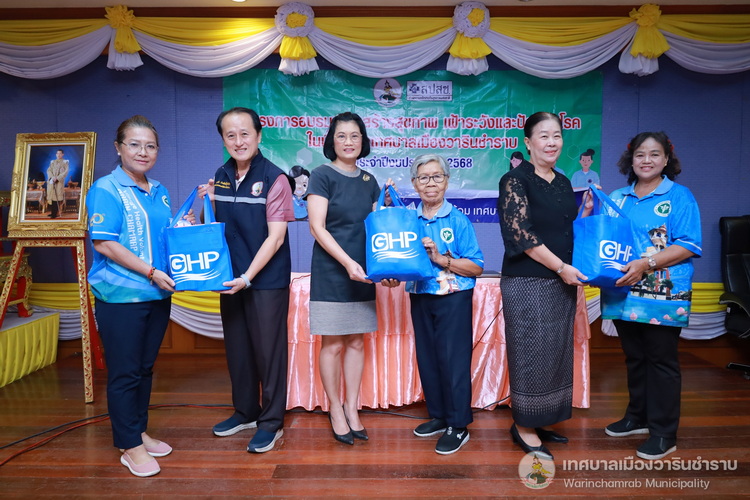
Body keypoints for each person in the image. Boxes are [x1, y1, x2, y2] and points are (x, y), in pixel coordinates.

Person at [87, 115, 182, 477]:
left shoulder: (159, 189)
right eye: (135, 144)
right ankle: (129, 445)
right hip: (121, 297)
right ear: (118, 148)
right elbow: (105, 243)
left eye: (150, 146)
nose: (143, 152)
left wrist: (186, 223)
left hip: (157, 295)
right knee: (125, 372)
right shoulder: (107, 188)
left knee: (144, 369)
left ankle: (138, 431)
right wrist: (151, 272)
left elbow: (163, 237)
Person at [597, 132, 701, 460]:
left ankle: (664, 432)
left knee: (661, 360)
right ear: (631, 160)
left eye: (655, 154)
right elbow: (603, 239)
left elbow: (688, 244)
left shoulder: (680, 196)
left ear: (667, 159)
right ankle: (637, 416)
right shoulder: (617, 197)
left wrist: (647, 263)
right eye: (640, 154)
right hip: (622, 291)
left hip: (663, 294)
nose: (647, 160)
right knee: (635, 357)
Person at [198, 107, 294, 454]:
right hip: (229, 279)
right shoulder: (221, 175)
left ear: (258, 135)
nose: (238, 141)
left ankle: (271, 422)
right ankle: (246, 411)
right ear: (223, 139)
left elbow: (276, 238)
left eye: (245, 134)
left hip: (264, 280)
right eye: (230, 135)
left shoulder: (275, 178)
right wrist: (203, 208)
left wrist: (247, 277)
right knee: (238, 348)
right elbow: (216, 228)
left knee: (268, 352)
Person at [497, 111, 587, 460]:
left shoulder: (563, 182)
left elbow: (562, 228)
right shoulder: (515, 180)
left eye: (557, 136)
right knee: (531, 354)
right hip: (528, 282)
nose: (552, 142)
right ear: (528, 142)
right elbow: (523, 235)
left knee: (555, 353)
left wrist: (585, 214)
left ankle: (541, 418)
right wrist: (562, 267)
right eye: (544, 136)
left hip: (561, 281)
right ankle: (523, 426)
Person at [307, 111, 397, 445]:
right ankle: (334, 408)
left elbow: (376, 230)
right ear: (332, 141)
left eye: (355, 135)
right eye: (342, 135)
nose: (348, 142)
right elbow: (317, 228)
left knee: (357, 341)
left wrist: (385, 267)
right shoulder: (321, 175)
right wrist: (347, 263)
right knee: (332, 344)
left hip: (362, 272)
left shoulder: (370, 181)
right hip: (332, 271)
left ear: (363, 141)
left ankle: (352, 407)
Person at [404, 153, 484, 455]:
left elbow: (476, 266)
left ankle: (458, 425)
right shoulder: (408, 221)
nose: (430, 183)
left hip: (454, 297)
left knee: (454, 361)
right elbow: (399, 259)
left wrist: (441, 259)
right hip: (420, 294)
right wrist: (391, 275)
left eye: (437, 176)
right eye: (423, 178)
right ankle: (439, 416)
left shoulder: (458, 220)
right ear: (414, 184)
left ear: (447, 182)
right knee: (428, 358)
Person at [47, 149, 69, 218]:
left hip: (59, 182)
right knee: (52, 197)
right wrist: (52, 177)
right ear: (56, 154)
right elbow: (49, 170)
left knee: (56, 198)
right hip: (52, 181)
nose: (58, 155)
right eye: (57, 153)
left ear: (62, 154)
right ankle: (52, 212)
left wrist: (58, 178)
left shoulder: (65, 162)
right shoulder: (53, 162)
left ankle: (55, 213)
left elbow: (65, 172)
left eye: (60, 153)